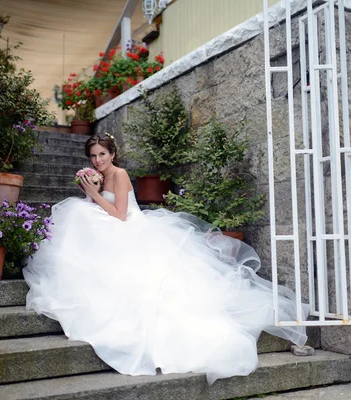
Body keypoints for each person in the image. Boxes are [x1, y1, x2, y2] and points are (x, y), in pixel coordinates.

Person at [23, 134, 308, 384]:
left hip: (128, 226)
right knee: (78, 215)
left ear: (112, 154)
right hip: (110, 222)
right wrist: (91, 194)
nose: (97, 161)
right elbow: (99, 207)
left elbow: (120, 215)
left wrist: (93, 194)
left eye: (102, 155)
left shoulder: (119, 174)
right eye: (93, 156)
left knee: (84, 217)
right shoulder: (96, 175)